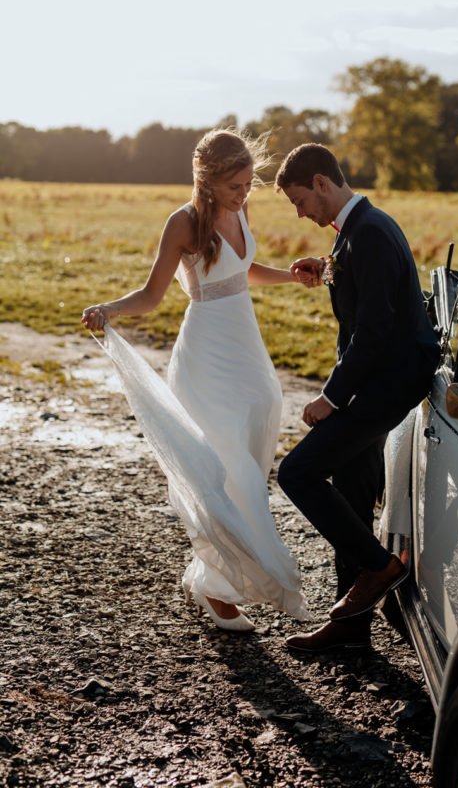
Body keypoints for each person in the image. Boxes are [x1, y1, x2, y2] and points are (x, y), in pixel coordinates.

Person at [82, 128, 312, 632]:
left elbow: (242, 271)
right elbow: (151, 293)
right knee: (223, 470)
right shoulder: (183, 223)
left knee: (259, 433)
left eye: (249, 184)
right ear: (207, 180)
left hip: (246, 348)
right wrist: (109, 309)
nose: (244, 194)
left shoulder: (241, 211)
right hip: (206, 356)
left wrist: (293, 277)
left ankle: (208, 575)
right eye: (235, 186)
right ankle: (217, 586)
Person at [275, 144, 440, 653]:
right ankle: (351, 629)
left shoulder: (368, 232)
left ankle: (380, 567)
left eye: (300, 200)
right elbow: (367, 286)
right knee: (350, 487)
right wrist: (326, 269)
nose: (301, 212)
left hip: (385, 384)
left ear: (322, 182)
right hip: (378, 379)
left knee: (297, 473)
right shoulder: (358, 232)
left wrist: (331, 397)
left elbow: (373, 330)